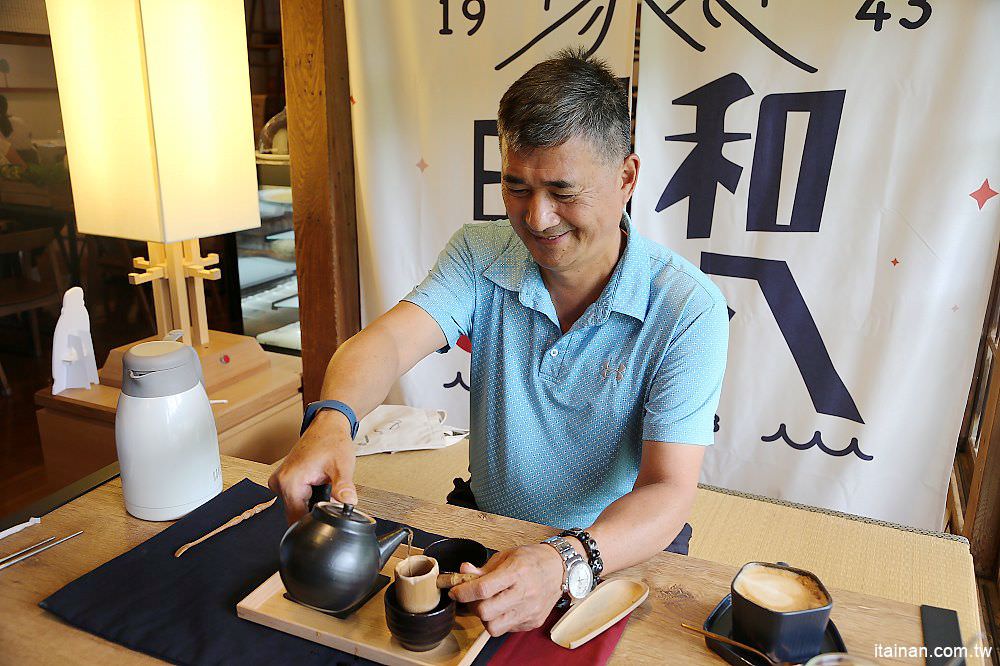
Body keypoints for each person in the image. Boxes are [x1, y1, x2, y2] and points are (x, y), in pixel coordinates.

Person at [269, 47, 728, 636]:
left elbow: (668, 490)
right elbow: (384, 343)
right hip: (486, 526)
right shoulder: (481, 254)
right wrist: (330, 420)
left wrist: (566, 561)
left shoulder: (687, 308)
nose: (537, 218)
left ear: (627, 178)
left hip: (612, 548)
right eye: (517, 188)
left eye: (563, 192)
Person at [0, 95, 36, 164]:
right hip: (32, 158)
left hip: (14, 162)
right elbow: (29, 137)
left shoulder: (3, 125)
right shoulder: (19, 121)